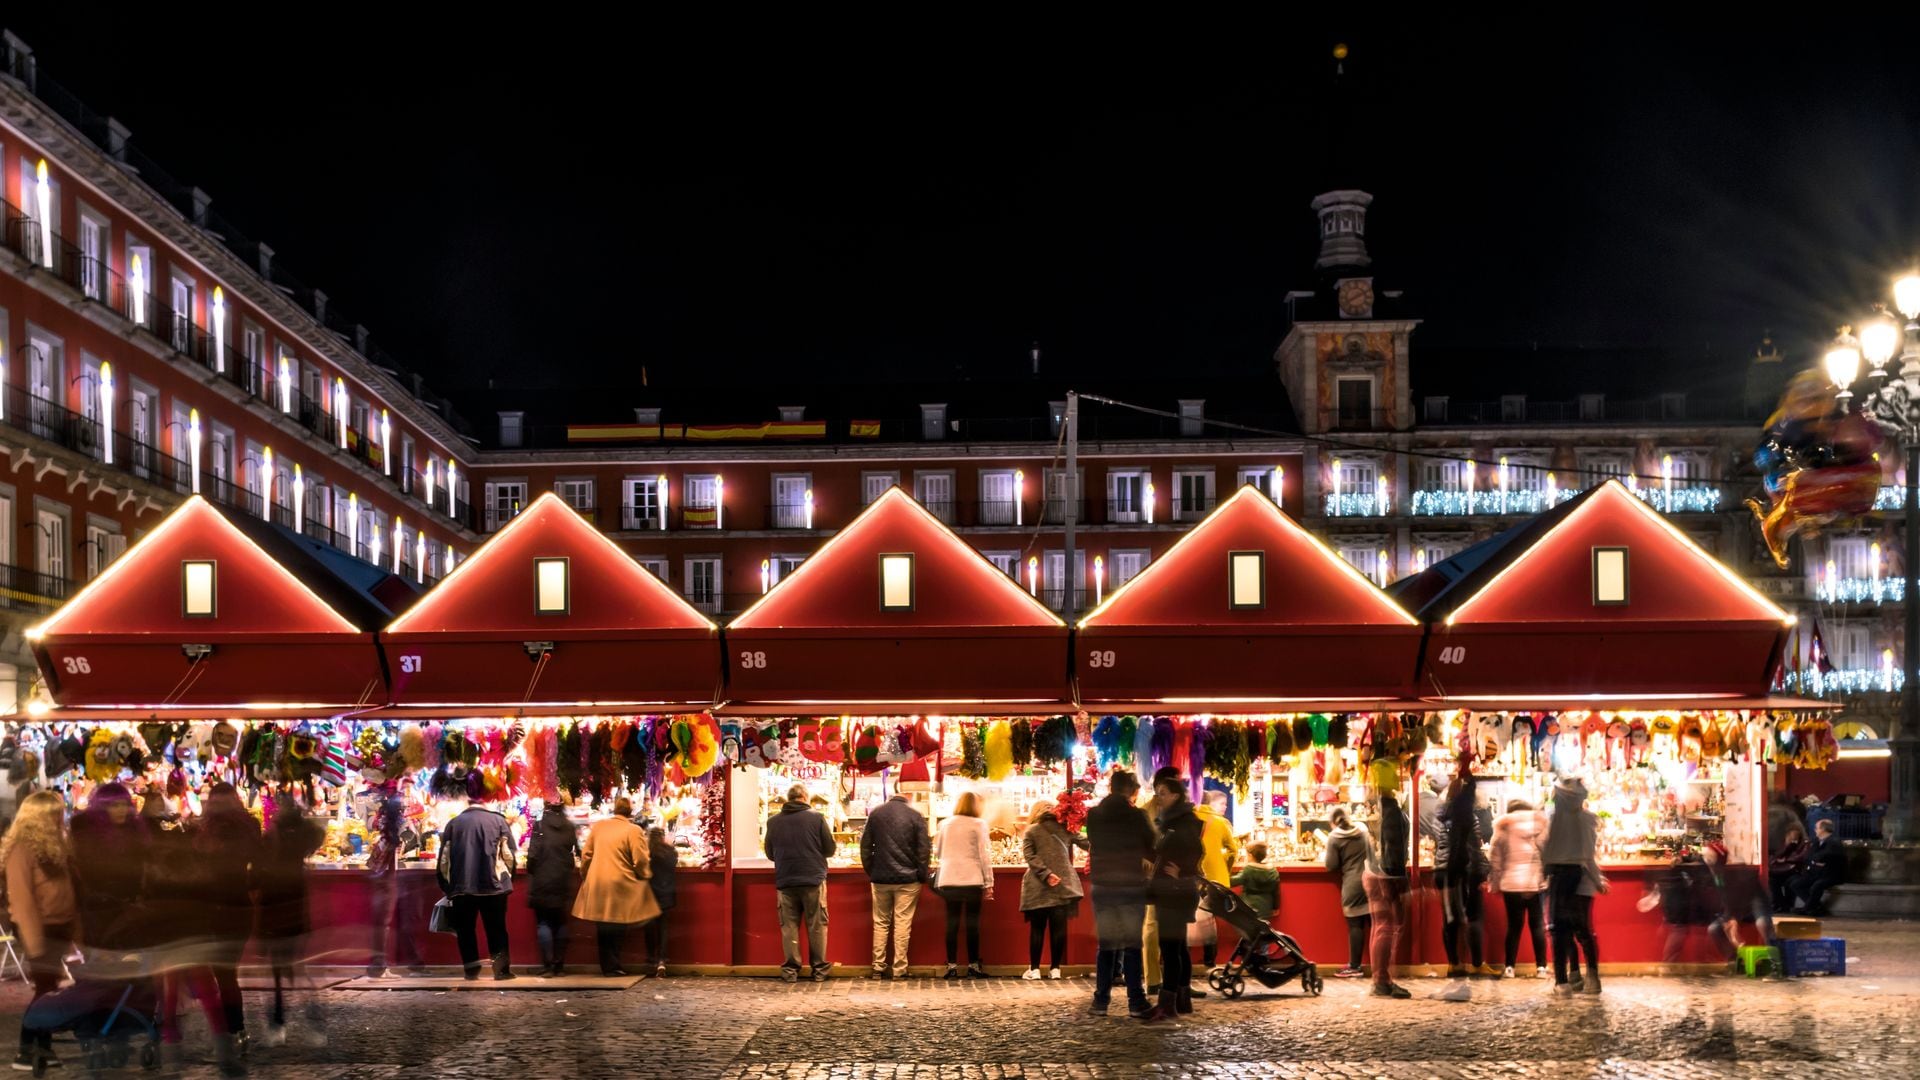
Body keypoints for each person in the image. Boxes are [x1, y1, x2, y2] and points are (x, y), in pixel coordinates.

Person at [5, 790, 76, 1072]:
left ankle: (41, 1047)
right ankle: (28, 1047)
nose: (60, 819)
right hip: (40, 928)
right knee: (45, 990)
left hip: (59, 926)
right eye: (53, 814)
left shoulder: (57, 846)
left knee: (49, 989)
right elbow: (22, 900)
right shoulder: (22, 849)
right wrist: (35, 944)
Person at [193, 783, 263, 1052]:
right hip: (238, 904)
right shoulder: (249, 827)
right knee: (226, 973)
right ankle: (236, 1029)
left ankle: (229, 1030)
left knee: (217, 972)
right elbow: (258, 866)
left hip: (210, 905)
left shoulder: (204, 831)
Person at [255, 797, 327, 1047]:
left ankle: (279, 1024)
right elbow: (317, 834)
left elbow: (254, 877)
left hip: (273, 910)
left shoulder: (269, 840)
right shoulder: (300, 839)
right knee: (295, 969)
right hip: (295, 909)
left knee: (278, 972)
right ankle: (314, 1022)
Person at [1085, 770, 1155, 1018]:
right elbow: (1151, 846)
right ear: (1131, 790)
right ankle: (1136, 1002)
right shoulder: (1137, 816)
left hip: (1102, 885)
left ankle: (1100, 1002)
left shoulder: (1093, 814)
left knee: (1106, 945)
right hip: (1130, 885)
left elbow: (1092, 840)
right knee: (1132, 945)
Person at [437, 782, 519, 981]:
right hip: (494, 887)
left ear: (468, 799)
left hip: (462, 888)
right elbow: (509, 856)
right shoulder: (499, 822)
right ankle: (501, 971)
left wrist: (447, 886)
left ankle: (471, 970)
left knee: (466, 931)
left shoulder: (454, 824)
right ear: (487, 800)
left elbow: (444, 860)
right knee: (497, 929)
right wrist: (508, 879)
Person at [1144, 768, 1203, 1021]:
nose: (1160, 798)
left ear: (1177, 795)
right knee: (1177, 946)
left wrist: (1183, 870)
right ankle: (1181, 999)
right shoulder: (1170, 821)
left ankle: (1167, 1004)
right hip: (1170, 890)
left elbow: (1197, 850)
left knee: (1170, 947)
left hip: (1176, 891)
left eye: (1164, 794)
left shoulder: (1183, 821)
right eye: (1158, 794)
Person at [572, 797, 655, 976]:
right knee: (617, 925)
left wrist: (586, 875)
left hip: (598, 883)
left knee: (602, 926)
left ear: (615, 810)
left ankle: (607, 965)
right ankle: (613, 965)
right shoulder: (634, 830)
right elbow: (640, 860)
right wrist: (645, 874)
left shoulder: (599, 826)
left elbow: (586, 855)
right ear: (630, 812)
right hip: (620, 883)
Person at [1541, 775, 1607, 994]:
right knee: (1581, 929)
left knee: (1559, 929)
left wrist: (1542, 870)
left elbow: (1545, 848)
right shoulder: (1587, 820)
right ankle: (1589, 977)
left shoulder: (1553, 819)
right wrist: (1597, 880)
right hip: (1580, 876)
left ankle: (1564, 981)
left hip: (1560, 876)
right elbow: (1588, 855)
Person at [764, 784, 836, 982]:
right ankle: (820, 970)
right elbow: (830, 849)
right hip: (813, 879)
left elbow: (770, 853)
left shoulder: (773, 822)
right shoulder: (817, 817)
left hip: (786, 880)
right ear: (805, 798)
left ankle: (790, 971)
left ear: (789, 799)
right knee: (817, 925)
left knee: (789, 927)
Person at [859, 789, 929, 980]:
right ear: (910, 795)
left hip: (880, 877)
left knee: (881, 923)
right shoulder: (916, 816)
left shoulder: (876, 813)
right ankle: (899, 968)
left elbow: (865, 846)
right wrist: (921, 875)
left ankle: (878, 967)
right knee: (902, 924)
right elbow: (924, 850)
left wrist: (871, 871)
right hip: (908, 879)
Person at [365, 778, 425, 978]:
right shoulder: (392, 820)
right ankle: (379, 965)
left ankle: (383, 963)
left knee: (385, 918)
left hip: (388, 872)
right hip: (389, 872)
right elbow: (406, 838)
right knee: (385, 918)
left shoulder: (382, 820)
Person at [1434, 772, 1491, 979]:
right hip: (1464, 871)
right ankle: (1476, 963)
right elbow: (1475, 846)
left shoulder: (1439, 817)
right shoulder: (1468, 817)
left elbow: (1439, 842)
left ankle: (1454, 963)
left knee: (1450, 919)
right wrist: (1484, 869)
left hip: (1442, 869)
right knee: (1473, 917)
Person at [1019, 801, 1084, 980]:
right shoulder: (1065, 828)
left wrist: (1046, 874)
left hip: (1037, 886)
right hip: (1063, 885)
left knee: (1037, 928)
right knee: (1059, 928)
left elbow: (1029, 856)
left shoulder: (1031, 831)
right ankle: (1055, 969)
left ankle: (1035, 969)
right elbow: (1086, 843)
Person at [933, 791, 993, 979]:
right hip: (972, 879)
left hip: (949, 879)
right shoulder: (979, 824)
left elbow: (938, 852)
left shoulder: (945, 824)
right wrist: (989, 883)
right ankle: (973, 965)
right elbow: (984, 855)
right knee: (972, 924)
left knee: (952, 924)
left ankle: (951, 965)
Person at [1488, 798, 1549, 978]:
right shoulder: (1539, 827)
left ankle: (1509, 968)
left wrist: (1495, 881)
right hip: (1534, 883)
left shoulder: (1503, 828)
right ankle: (1542, 968)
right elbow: (1547, 854)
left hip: (1511, 884)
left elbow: (1495, 859)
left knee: (1514, 926)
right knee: (1537, 925)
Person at [1362, 787, 1412, 998]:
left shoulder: (1383, 809)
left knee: (1381, 927)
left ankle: (1380, 980)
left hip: (1375, 872)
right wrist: (1397, 879)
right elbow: (1393, 849)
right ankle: (1382, 980)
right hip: (1385, 875)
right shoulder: (1390, 810)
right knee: (1386, 927)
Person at [1188, 790, 1239, 992]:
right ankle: (1210, 962)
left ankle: (1184, 963)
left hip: (1191, 876)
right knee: (1210, 919)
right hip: (1215, 879)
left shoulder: (1186, 819)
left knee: (1186, 919)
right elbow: (1233, 850)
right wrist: (1225, 868)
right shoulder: (1220, 823)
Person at [525, 800, 580, 977]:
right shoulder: (570, 826)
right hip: (562, 879)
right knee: (561, 921)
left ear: (547, 807)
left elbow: (532, 855)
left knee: (543, 922)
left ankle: (548, 965)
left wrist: (532, 869)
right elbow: (575, 852)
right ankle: (559, 965)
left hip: (542, 878)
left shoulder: (539, 825)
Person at [1323, 806, 1372, 978]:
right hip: (1372, 879)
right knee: (1375, 924)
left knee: (1356, 926)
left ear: (1332, 822)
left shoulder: (1334, 837)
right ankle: (1380, 964)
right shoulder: (1363, 828)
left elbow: (1331, 865)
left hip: (1352, 884)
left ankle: (1355, 966)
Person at [642, 826, 678, 977]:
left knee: (649, 927)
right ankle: (662, 961)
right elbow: (674, 864)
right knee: (663, 928)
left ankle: (651, 959)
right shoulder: (670, 852)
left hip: (650, 894)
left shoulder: (645, 853)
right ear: (663, 837)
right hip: (666, 893)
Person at [1788, 818, 1843, 915]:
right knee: (1795, 884)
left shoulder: (1834, 842)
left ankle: (1808, 908)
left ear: (1823, 829)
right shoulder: (1817, 841)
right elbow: (1808, 857)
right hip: (1817, 872)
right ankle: (1817, 907)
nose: (1815, 830)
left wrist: (1815, 860)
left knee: (1817, 886)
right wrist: (1815, 861)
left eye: (1816, 828)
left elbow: (1826, 856)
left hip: (1831, 874)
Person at [1230, 842, 1279, 924]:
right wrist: (1276, 907)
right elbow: (1276, 892)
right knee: (1262, 928)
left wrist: (1223, 876)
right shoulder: (1273, 871)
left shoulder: (1248, 870)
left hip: (1249, 907)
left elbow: (1234, 881)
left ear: (1250, 855)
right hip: (1266, 908)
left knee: (1249, 929)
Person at [1769, 823, 1810, 912]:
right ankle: (1779, 904)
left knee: (1791, 882)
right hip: (1780, 870)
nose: (1793, 836)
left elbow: (1802, 857)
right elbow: (1776, 856)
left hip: (1794, 870)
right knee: (1771, 880)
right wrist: (1787, 846)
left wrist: (1786, 860)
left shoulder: (1805, 843)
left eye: (1796, 833)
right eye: (1791, 833)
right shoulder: (1782, 842)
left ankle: (1786, 905)